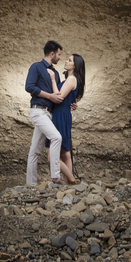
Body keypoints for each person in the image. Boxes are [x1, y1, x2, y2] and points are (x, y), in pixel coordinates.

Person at [25, 40, 64, 186]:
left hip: (49, 114)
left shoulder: (56, 73)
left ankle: (31, 184)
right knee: (56, 137)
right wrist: (49, 96)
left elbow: (58, 94)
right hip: (38, 112)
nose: (60, 58)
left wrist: (70, 103)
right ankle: (55, 176)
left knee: (35, 150)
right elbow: (29, 87)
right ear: (52, 54)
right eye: (59, 54)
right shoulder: (36, 67)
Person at [50, 53, 85, 184]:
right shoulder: (72, 79)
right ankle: (68, 184)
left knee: (51, 156)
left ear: (75, 66)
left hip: (60, 114)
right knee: (65, 153)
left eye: (69, 60)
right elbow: (69, 98)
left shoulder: (71, 79)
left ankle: (71, 179)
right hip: (64, 114)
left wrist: (53, 80)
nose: (66, 61)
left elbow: (59, 97)